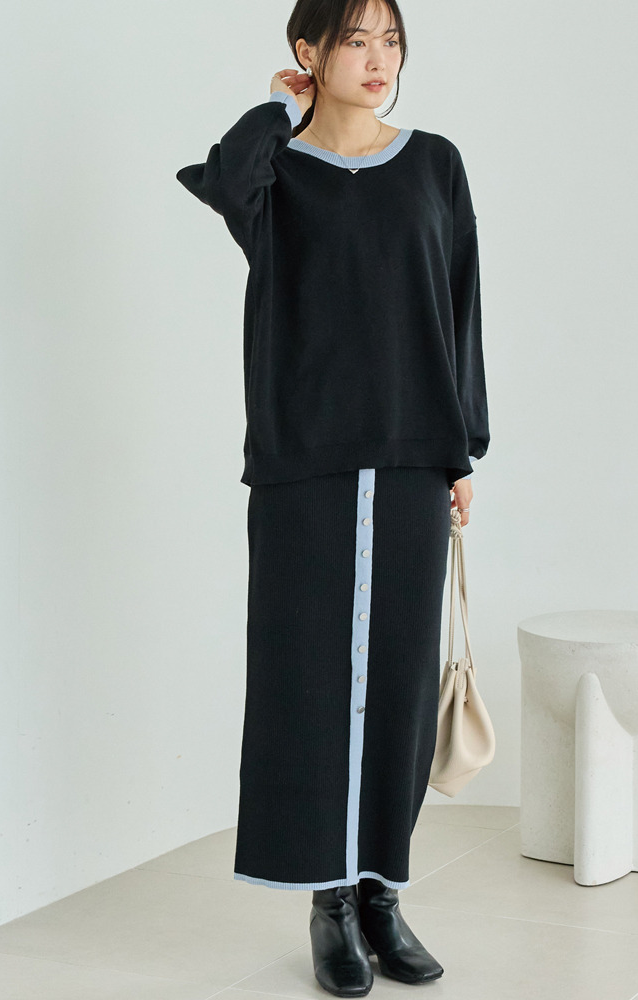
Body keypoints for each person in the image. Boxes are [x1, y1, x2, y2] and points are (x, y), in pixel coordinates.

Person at [176, 0, 489, 995]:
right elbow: (221, 179)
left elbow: (460, 305)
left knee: (397, 681)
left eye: (390, 40)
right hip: (302, 460)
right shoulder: (276, 174)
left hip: (411, 458)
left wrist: (462, 450)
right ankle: (327, 901)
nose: (378, 58)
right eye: (355, 39)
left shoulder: (434, 163)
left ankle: (381, 893)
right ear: (308, 50)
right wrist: (281, 109)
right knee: (305, 680)